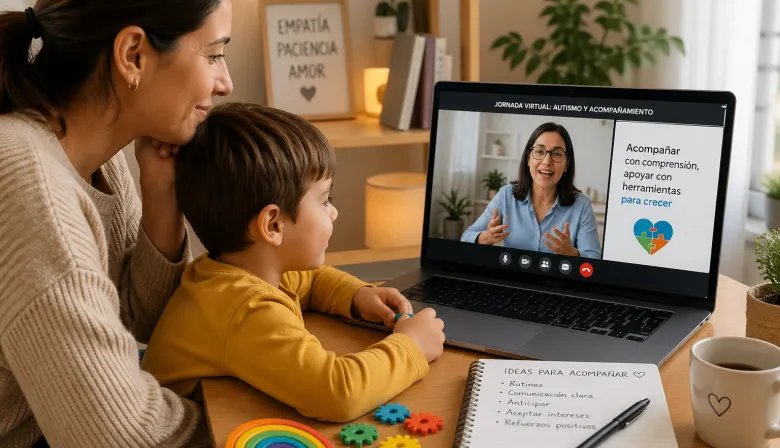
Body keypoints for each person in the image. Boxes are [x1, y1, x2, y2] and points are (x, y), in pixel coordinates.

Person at [0, 0, 234, 446]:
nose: (226, 82)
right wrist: (258, 425)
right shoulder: (30, 183)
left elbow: (141, 324)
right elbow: (115, 434)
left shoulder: (93, 156)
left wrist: (160, 193)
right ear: (133, 56)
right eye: (214, 54)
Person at [140, 102, 446, 422]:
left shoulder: (236, 269)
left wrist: (357, 296)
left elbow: (310, 282)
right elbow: (336, 393)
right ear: (272, 225)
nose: (334, 212)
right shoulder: (246, 308)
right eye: (325, 199)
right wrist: (411, 347)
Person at [461, 122, 602, 259]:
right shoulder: (506, 195)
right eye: (540, 151)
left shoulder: (582, 205)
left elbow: (594, 258)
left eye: (557, 154)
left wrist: (572, 254)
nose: (547, 161)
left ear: (566, 164)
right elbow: (466, 237)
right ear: (529, 158)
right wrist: (487, 237)